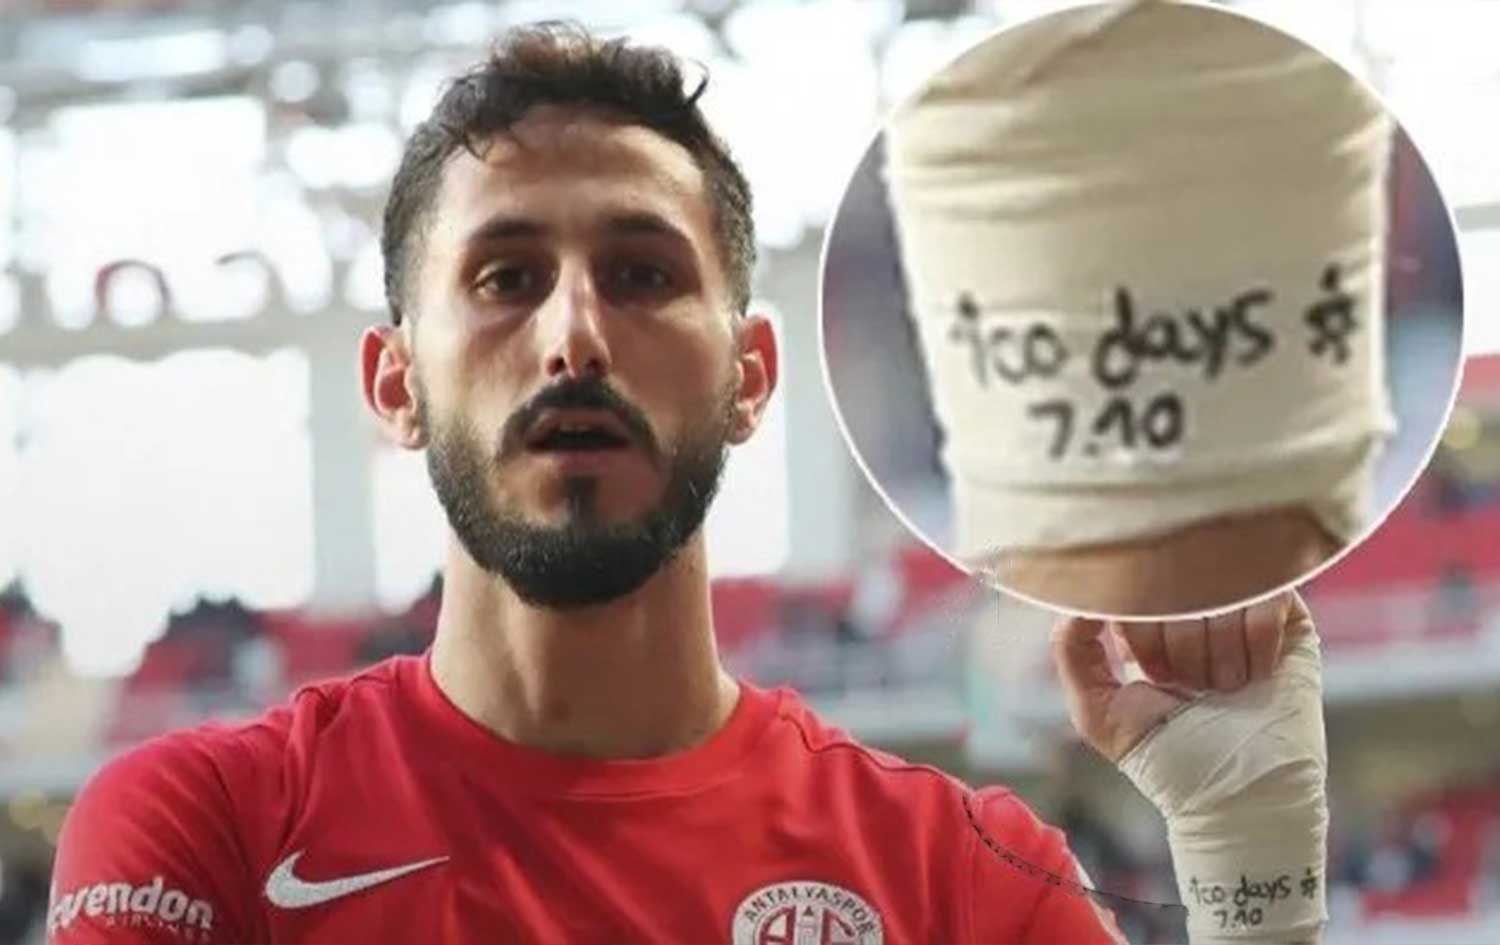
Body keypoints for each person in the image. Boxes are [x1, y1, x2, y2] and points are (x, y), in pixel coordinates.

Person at [47, 24, 1328, 944]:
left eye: (643, 275)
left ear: (750, 375)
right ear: (395, 384)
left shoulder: (958, 879)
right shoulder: (215, 828)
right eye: (504, 278)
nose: (573, 336)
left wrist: (1253, 869)